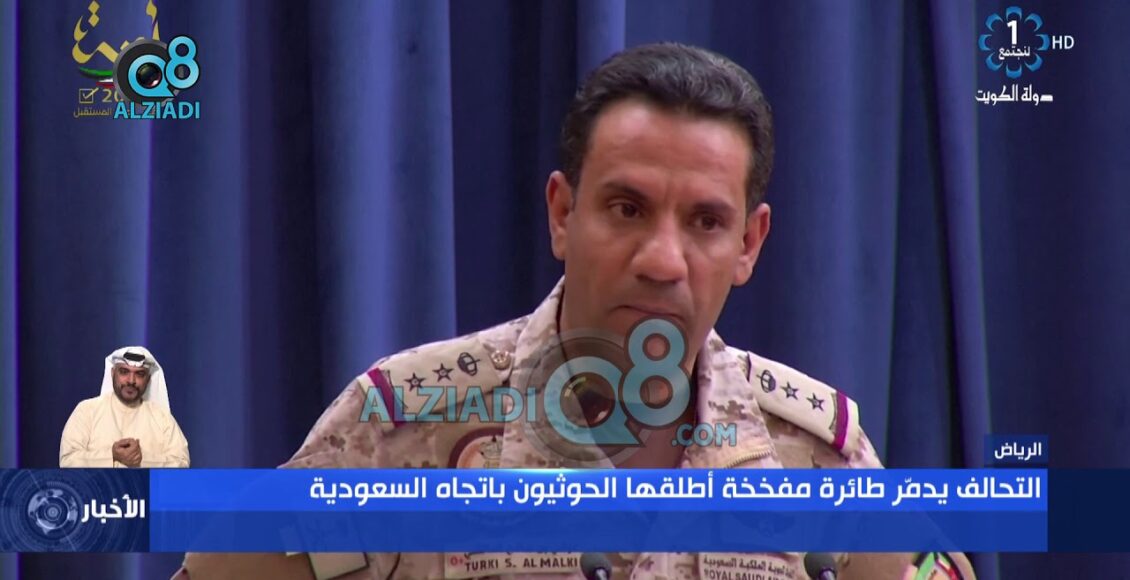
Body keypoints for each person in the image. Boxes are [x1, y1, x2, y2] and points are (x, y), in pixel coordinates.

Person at [179, 43, 973, 579]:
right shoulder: (402, 424)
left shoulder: (817, 455)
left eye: (705, 222)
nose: (663, 260)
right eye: (627, 209)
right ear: (562, 214)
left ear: (749, 244)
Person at [60, 346, 190, 468]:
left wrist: (142, 459)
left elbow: (182, 462)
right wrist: (111, 455)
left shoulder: (162, 418)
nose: (131, 380)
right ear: (113, 373)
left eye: (139, 374)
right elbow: (68, 460)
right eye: (124, 372)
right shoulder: (87, 410)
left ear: (148, 379)